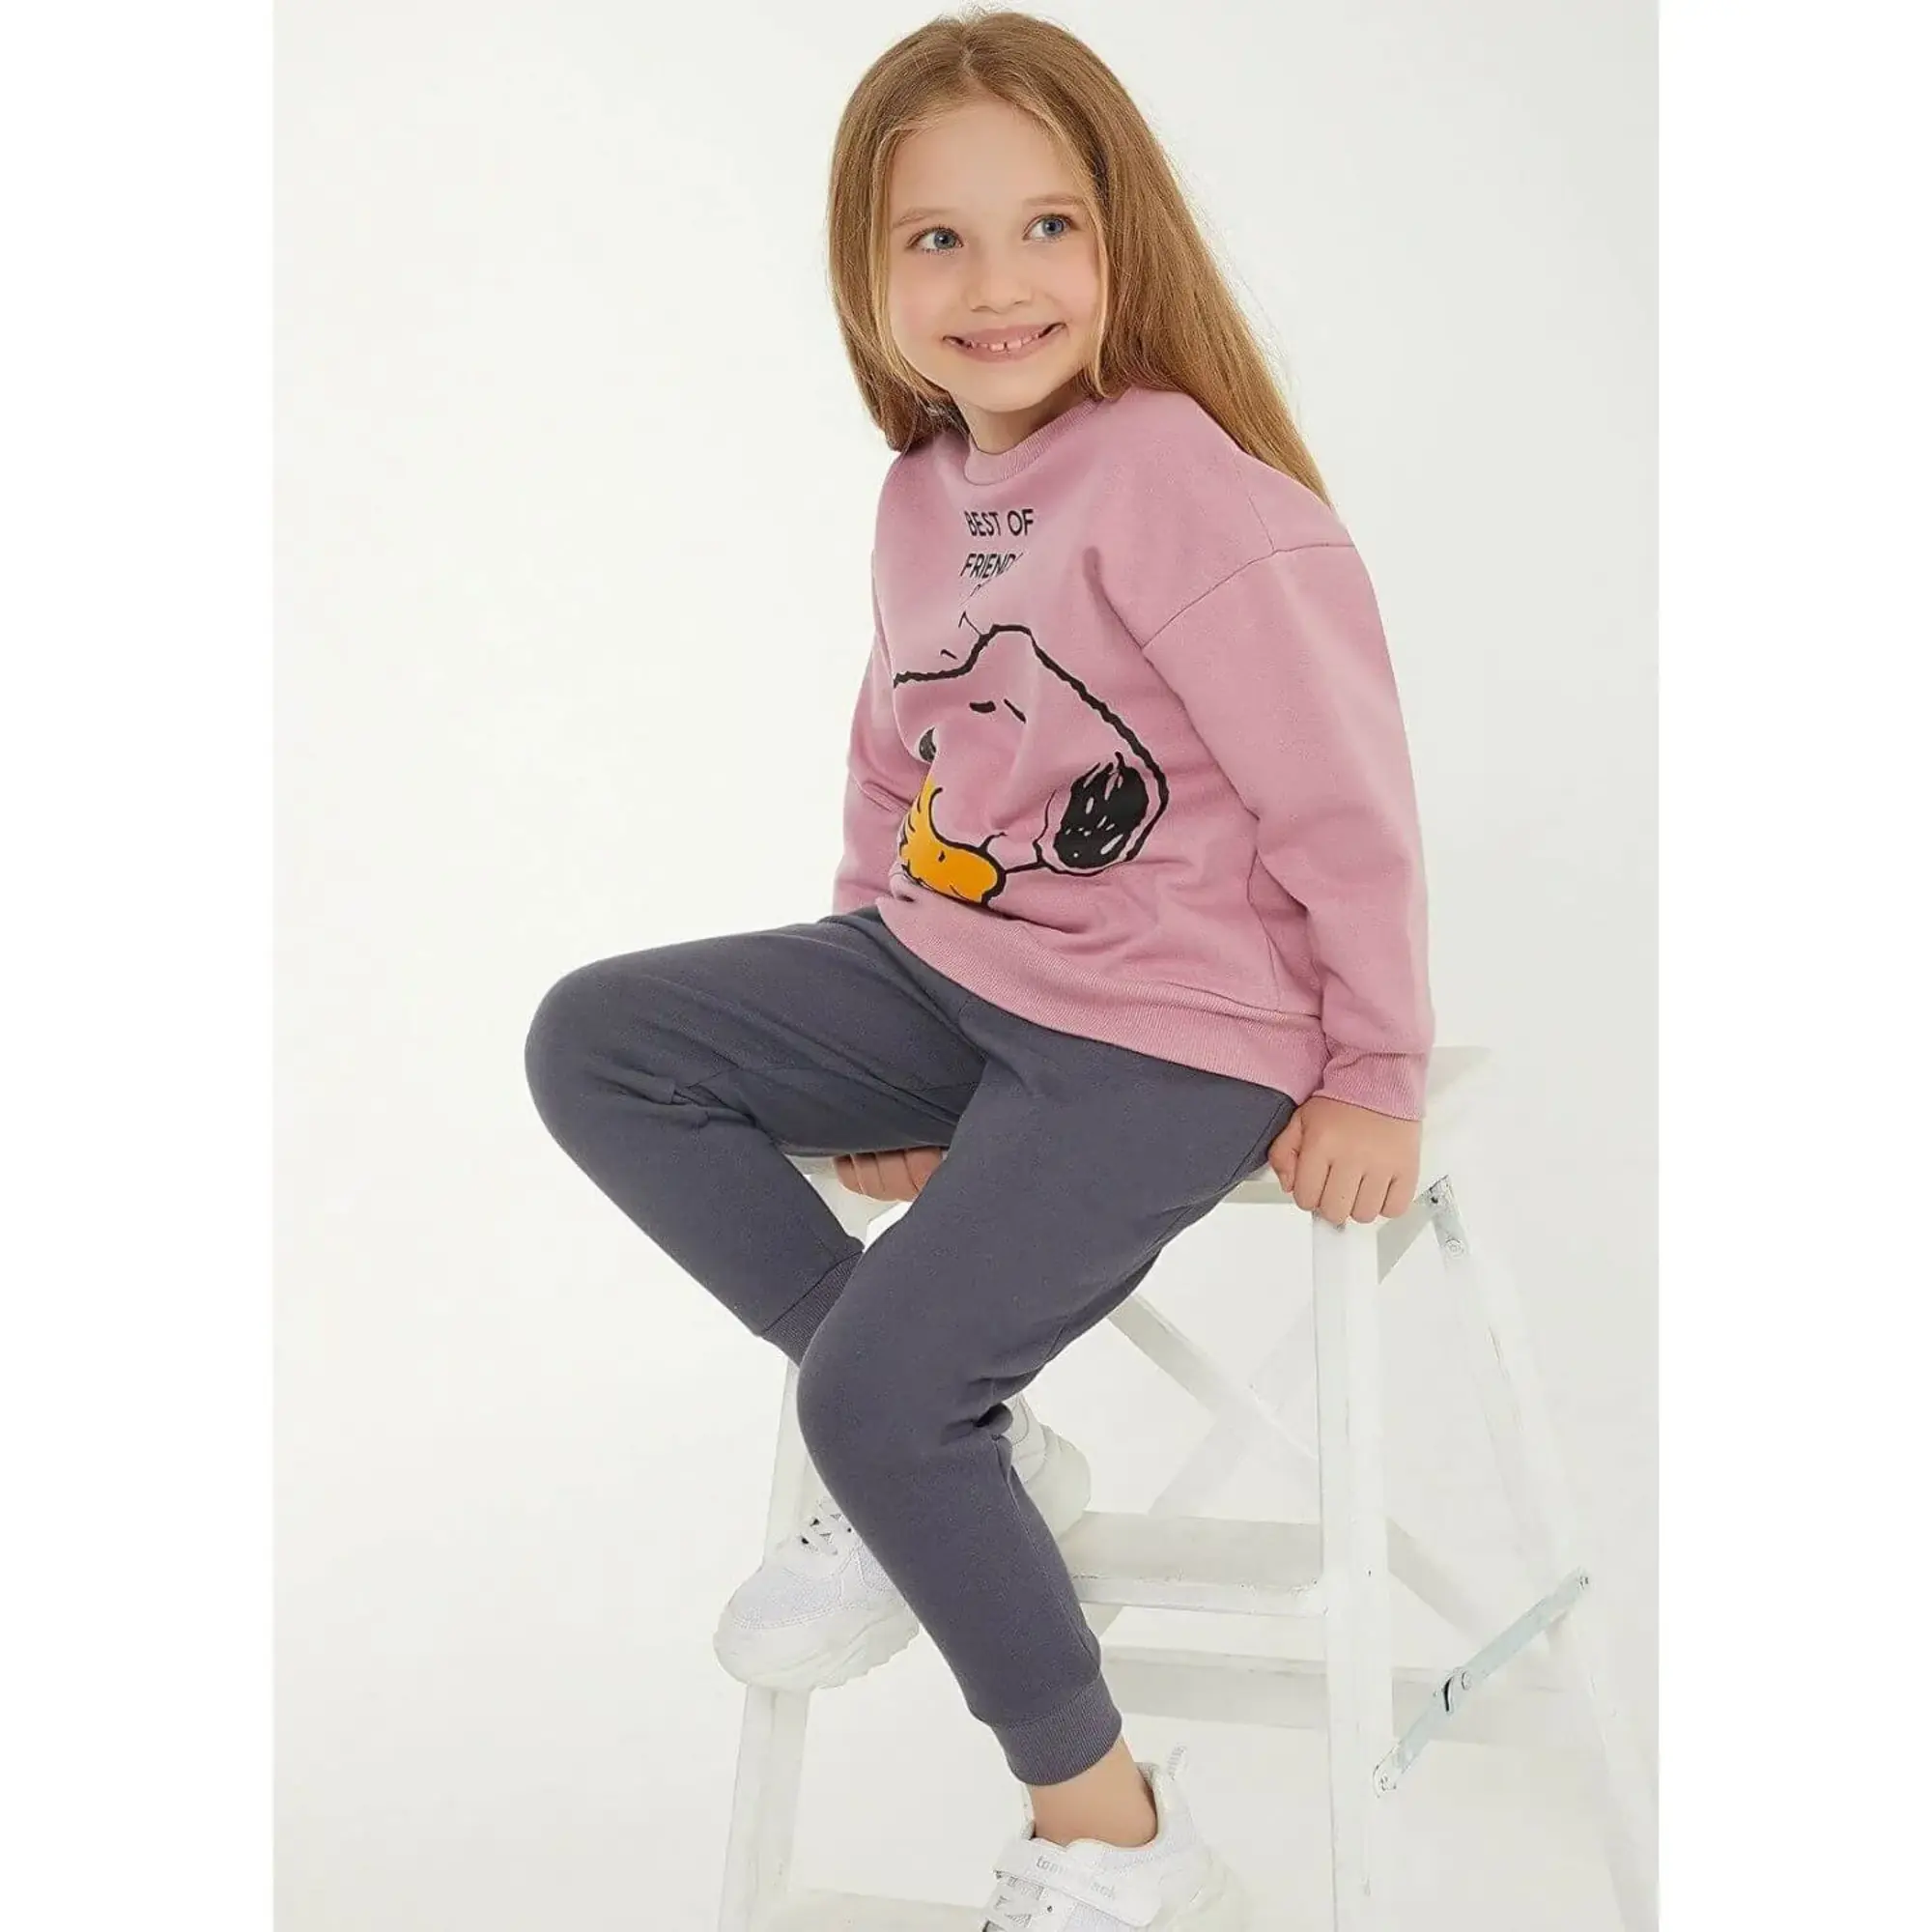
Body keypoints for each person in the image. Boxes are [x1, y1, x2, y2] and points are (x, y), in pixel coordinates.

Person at [525, 10, 1434, 1925]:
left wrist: (1374, 1067)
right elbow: (898, 756)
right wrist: (864, 1010)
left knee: (873, 1404)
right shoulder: (920, 492)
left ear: (1119, 243)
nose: (996, 284)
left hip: (1176, 1031)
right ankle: (967, 1437)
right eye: (936, 239)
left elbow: (1341, 793)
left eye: (1046, 229)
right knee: (599, 1037)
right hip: (955, 977)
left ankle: (1114, 1829)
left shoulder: (1176, 478)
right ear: (867, 275)